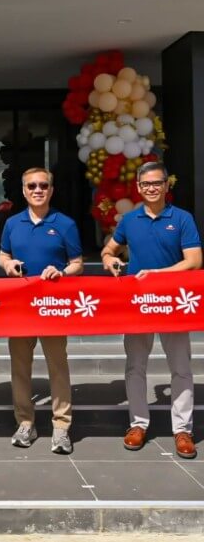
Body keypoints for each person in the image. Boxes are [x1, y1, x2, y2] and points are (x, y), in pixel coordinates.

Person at [101, 162, 202, 459]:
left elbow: (194, 261)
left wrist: (159, 275)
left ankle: (182, 430)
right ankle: (137, 424)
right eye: (146, 184)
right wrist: (109, 260)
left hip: (173, 303)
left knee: (181, 368)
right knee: (135, 366)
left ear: (166, 185)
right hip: (138, 303)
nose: (151, 188)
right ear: (138, 187)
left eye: (157, 183)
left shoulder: (182, 218)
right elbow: (109, 250)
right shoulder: (129, 220)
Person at [0, 167, 83, 454]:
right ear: (24, 191)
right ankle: (25, 422)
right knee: (20, 367)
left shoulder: (66, 224)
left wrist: (62, 272)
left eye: (43, 185)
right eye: (32, 186)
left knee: (57, 366)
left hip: (52, 307)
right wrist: (8, 264)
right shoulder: (12, 223)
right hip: (20, 307)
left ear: (51, 190)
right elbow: (3, 254)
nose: (38, 190)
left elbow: (77, 263)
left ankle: (61, 427)